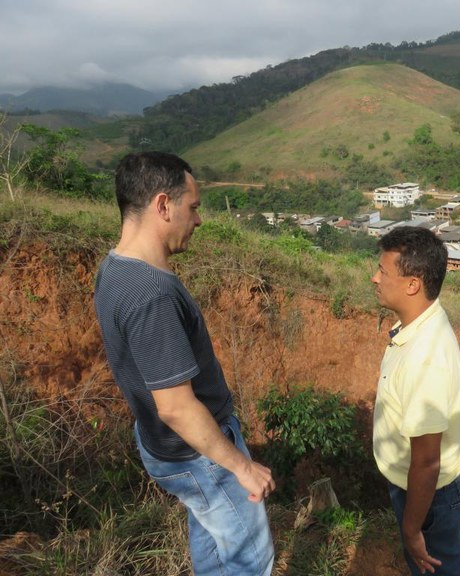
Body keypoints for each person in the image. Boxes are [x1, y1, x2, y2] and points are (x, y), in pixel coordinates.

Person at [94, 151, 274, 575]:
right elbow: (175, 405)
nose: (198, 220)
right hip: (197, 453)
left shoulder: (114, 268)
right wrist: (241, 467)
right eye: (192, 207)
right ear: (162, 205)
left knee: (214, 539)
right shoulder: (149, 293)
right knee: (250, 558)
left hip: (164, 445)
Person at [371, 226, 460, 576]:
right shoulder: (421, 323)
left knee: (436, 567)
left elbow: (427, 462)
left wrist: (413, 530)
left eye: (383, 271)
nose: (375, 278)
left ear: (412, 284)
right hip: (435, 486)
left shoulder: (424, 358)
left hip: (431, 496)